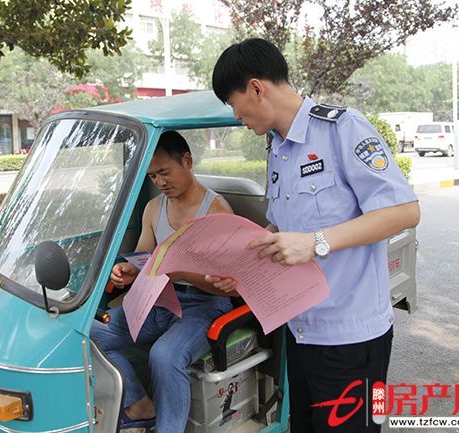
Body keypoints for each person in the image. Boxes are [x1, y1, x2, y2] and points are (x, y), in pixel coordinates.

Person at [209, 38, 421, 433]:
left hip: (352, 338)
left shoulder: (343, 129)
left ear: (256, 88)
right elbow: (281, 228)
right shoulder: (277, 150)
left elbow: (404, 211)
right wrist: (242, 265)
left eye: (233, 104)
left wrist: (316, 242)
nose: (237, 117)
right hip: (302, 331)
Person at [91, 131, 237, 433]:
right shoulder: (154, 208)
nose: (159, 182)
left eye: (165, 172)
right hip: (158, 300)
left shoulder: (216, 211)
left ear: (187, 161)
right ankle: (140, 404)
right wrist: (128, 271)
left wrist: (180, 274)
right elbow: (145, 257)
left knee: (165, 356)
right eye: (153, 176)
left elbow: (226, 286)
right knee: (88, 334)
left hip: (204, 306)